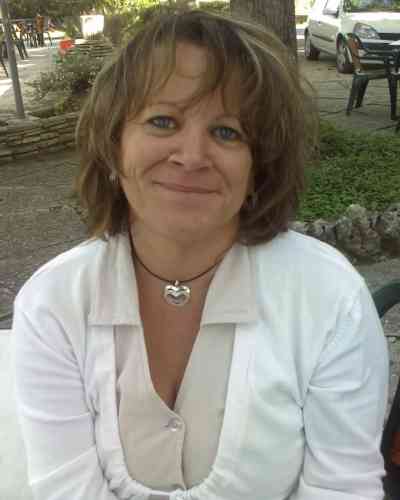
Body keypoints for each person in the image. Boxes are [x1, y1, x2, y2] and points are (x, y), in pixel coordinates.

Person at [12, 9, 388, 500]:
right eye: (162, 121)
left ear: (259, 166)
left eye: (227, 132)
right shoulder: (53, 302)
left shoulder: (329, 297)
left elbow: (342, 489)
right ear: (113, 145)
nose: (191, 156)